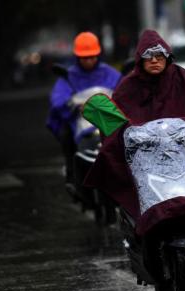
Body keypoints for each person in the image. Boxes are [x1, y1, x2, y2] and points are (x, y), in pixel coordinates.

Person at [84, 29, 185, 224]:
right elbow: (116, 129)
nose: (154, 60)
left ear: (167, 57)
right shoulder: (127, 88)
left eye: (159, 55)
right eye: (148, 56)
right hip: (145, 161)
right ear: (140, 59)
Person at [47, 31, 121, 183]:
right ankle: (72, 173)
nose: (89, 60)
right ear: (77, 57)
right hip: (80, 121)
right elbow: (58, 99)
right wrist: (72, 104)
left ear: (98, 54)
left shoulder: (110, 73)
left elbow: (124, 91)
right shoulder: (69, 76)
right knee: (66, 136)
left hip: (108, 120)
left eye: (92, 56)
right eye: (84, 57)